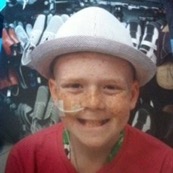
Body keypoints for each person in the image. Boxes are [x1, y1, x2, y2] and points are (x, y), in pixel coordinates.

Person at [5, 6, 173, 173]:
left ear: (133, 95)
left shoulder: (165, 165)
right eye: (75, 86)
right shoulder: (25, 159)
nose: (93, 103)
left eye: (111, 87)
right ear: (55, 92)